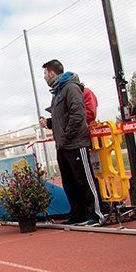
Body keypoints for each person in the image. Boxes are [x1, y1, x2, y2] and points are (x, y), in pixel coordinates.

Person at [39, 60, 104, 226]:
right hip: (63, 145)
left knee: (84, 180)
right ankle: (79, 214)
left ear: (52, 73)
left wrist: (67, 135)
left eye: (45, 73)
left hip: (75, 143)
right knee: (70, 183)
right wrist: (49, 122)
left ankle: (96, 215)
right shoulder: (57, 92)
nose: (44, 77)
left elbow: (78, 115)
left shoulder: (70, 88)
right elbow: (62, 119)